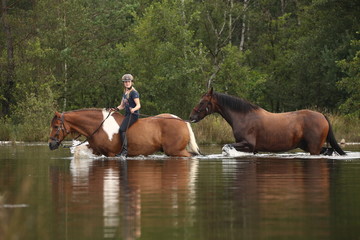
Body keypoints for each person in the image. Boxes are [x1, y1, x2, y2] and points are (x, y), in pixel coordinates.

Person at [111, 74, 141, 159]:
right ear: (123, 83)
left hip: (133, 115)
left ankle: (124, 152)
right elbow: (122, 106)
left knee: (122, 129)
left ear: (131, 82)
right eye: (125, 82)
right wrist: (115, 109)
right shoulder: (125, 92)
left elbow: (139, 105)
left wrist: (134, 109)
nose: (127, 83)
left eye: (128, 81)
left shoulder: (134, 93)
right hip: (127, 114)